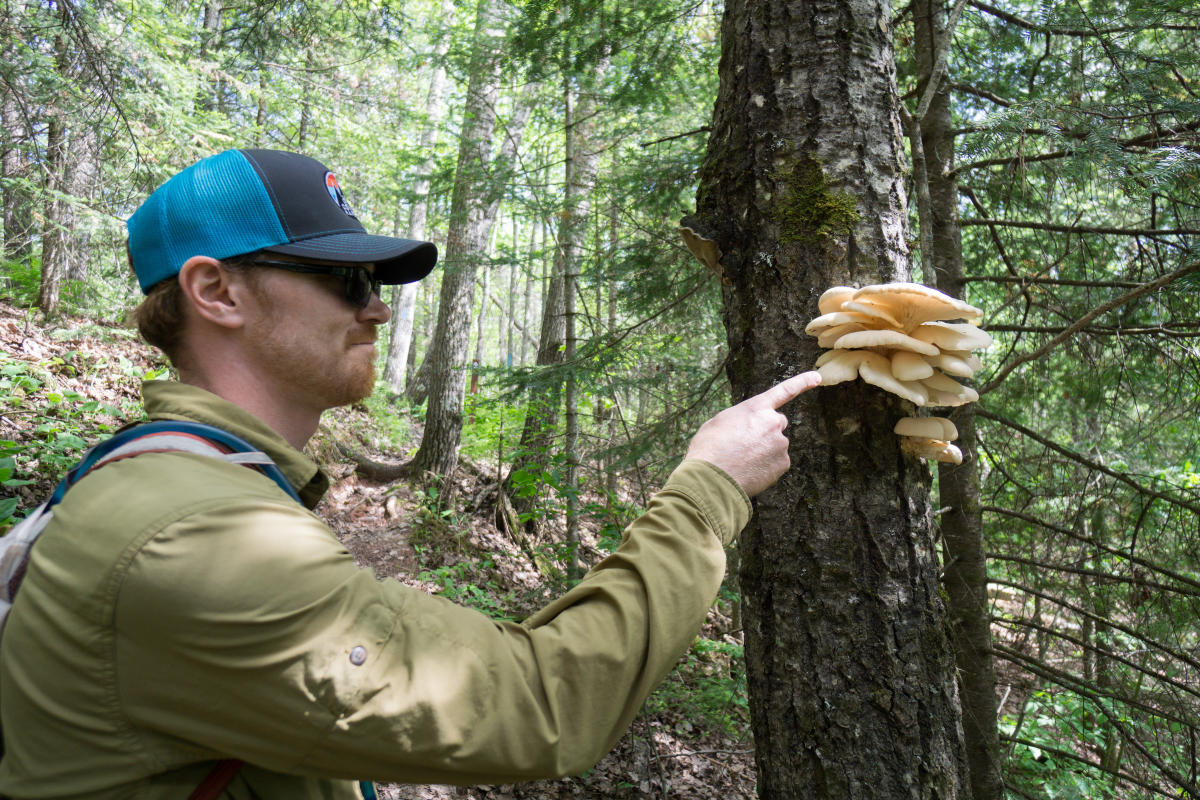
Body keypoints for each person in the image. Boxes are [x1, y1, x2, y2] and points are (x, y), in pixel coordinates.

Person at [0, 149, 821, 798]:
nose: (378, 308)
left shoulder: (175, 478)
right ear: (216, 291)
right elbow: (544, 705)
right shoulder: (190, 534)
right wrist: (709, 487)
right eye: (346, 278)